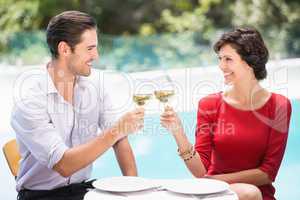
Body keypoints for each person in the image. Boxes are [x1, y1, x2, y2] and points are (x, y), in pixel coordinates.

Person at [11, 11, 144, 200]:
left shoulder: (96, 83)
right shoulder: (30, 100)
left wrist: (135, 190)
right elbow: (64, 165)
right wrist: (117, 130)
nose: (96, 56)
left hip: (83, 191)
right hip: (41, 196)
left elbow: (120, 140)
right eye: (89, 49)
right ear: (64, 49)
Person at [160, 27, 291, 200]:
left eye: (228, 59)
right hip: (217, 195)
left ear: (250, 62)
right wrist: (178, 133)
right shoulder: (209, 104)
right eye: (220, 59)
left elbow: (267, 173)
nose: (221, 66)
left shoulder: (279, 105)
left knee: (250, 193)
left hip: (256, 196)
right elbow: (201, 171)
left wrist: (214, 181)